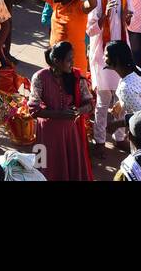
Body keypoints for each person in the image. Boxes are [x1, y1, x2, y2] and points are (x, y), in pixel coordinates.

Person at [28, 41, 94, 182]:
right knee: (42, 167)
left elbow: (89, 103)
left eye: (73, 59)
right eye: (69, 60)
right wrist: (60, 115)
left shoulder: (76, 76)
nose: (72, 63)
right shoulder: (39, 77)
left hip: (70, 134)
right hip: (45, 134)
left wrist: (79, 110)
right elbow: (33, 109)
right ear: (57, 62)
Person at [87, 0, 132, 146]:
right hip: (102, 56)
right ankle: (99, 141)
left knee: (121, 96)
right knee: (103, 100)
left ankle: (119, 137)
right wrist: (104, 16)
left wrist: (126, 18)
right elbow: (89, 30)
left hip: (121, 53)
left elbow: (128, 21)